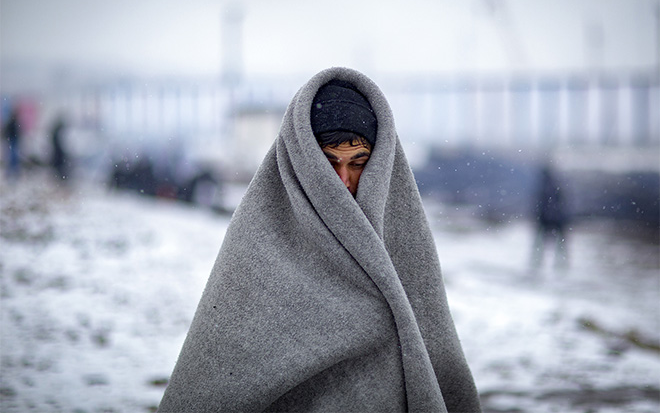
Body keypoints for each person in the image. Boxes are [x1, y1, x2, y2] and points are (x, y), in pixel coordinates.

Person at [158, 67, 481, 412]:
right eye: (329, 162)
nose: (344, 180)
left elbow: (438, 355)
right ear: (303, 161)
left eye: (359, 162)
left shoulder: (404, 235)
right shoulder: (258, 239)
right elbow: (217, 378)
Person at [530, 165, 569, 272]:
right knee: (559, 245)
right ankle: (561, 264)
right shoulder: (556, 187)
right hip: (557, 219)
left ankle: (537, 263)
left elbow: (539, 205)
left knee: (540, 244)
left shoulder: (543, 188)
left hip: (546, 219)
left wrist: (540, 217)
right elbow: (563, 203)